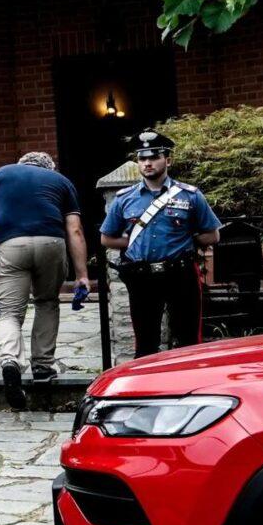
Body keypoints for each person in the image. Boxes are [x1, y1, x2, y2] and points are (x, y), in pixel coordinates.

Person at [0, 151, 90, 409]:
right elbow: (75, 230)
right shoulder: (62, 181)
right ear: (49, 168)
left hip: (9, 245)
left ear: (21, 165)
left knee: (9, 313)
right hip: (51, 243)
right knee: (47, 302)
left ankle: (11, 361)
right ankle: (43, 366)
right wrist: (82, 276)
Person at [101, 130, 221, 357]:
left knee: (188, 339)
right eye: (142, 159)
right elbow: (106, 237)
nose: (147, 163)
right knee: (145, 342)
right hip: (142, 276)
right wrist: (132, 243)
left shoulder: (190, 196)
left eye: (154, 157)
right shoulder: (124, 198)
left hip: (180, 273)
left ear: (167, 160)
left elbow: (212, 235)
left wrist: (187, 239)